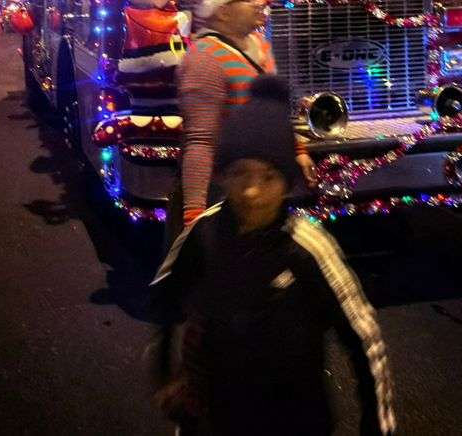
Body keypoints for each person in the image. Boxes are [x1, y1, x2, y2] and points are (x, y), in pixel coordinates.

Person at [149, 76, 395, 436]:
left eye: (268, 176)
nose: (252, 191)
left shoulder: (308, 246)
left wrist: (377, 426)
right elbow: (165, 302)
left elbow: (364, 338)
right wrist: (164, 376)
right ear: (224, 176)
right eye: (240, 173)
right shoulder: (204, 233)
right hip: (212, 419)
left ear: (287, 182)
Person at [175, 0, 315, 238]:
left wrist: (297, 149)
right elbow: (200, 142)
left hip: (265, 185)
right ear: (223, 11)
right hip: (230, 191)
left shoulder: (258, 45)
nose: (259, 1)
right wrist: (194, 216)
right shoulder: (205, 59)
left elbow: (274, 110)